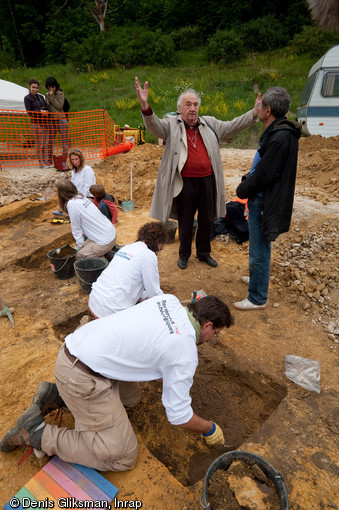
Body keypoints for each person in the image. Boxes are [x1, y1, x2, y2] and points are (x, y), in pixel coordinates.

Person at [0, 294, 233, 471]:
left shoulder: (169, 300)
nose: (213, 339)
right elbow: (178, 416)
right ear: (207, 325)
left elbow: (149, 340)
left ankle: (57, 395)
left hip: (74, 350)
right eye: (216, 334)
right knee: (123, 457)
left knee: (131, 400)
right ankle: (36, 434)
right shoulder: (185, 351)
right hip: (83, 378)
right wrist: (209, 428)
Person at [135, 76, 261, 270]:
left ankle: (204, 253)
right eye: (188, 105)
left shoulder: (210, 124)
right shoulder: (171, 124)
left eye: (195, 105)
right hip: (185, 183)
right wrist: (145, 106)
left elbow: (233, 125)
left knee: (206, 220)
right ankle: (184, 254)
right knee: (186, 221)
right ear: (180, 108)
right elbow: (154, 126)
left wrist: (253, 113)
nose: (192, 108)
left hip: (208, 181)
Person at [233, 87, 301, 310]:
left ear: (268, 110)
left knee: (260, 250)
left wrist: (243, 189)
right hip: (262, 198)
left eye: (260, 106)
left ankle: (257, 297)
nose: (258, 109)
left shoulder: (280, 136)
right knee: (258, 246)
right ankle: (257, 279)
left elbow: (265, 174)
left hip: (263, 201)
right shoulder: (279, 131)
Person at [89, 221, 166, 318]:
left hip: (95, 301)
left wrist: (143, 296)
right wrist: (168, 301)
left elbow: (127, 279)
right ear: (158, 241)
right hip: (112, 311)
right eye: (160, 249)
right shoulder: (148, 255)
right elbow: (154, 293)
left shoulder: (127, 248)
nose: (158, 253)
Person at [57, 179, 116, 259]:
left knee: (79, 255)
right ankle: (104, 253)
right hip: (111, 234)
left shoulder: (71, 204)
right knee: (85, 247)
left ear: (61, 194)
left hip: (105, 241)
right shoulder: (81, 197)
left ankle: (103, 264)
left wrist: (80, 245)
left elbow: (76, 228)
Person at [24, 79, 51, 168]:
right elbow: (29, 112)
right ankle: (41, 163)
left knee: (46, 143)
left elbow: (45, 106)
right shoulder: (27, 98)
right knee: (40, 144)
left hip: (45, 123)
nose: (35, 89)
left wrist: (46, 110)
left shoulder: (41, 97)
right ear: (29, 87)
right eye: (33, 87)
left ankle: (47, 161)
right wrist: (40, 111)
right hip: (36, 123)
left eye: (37, 88)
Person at [45, 76, 70, 162]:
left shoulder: (60, 94)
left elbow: (59, 106)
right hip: (52, 121)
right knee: (50, 140)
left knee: (64, 140)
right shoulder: (46, 95)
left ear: (56, 86)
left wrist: (52, 97)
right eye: (49, 87)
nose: (51, 89)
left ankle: (65, 158)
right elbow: (48, 106)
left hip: (61, 119)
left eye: (53, 87)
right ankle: (49, 158)